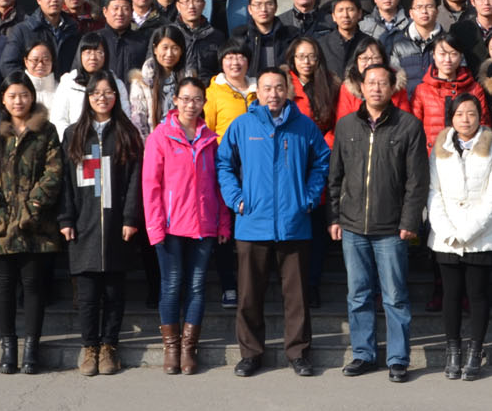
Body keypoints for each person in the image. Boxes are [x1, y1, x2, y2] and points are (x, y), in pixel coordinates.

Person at [217, 67, 331, 378]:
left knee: (297, 296)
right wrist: (236, 199)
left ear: (287, 90)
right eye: (267, 88)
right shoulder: (243, 125)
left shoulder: (304, 126)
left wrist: (309, 197)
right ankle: (250, 354)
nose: (273, 94)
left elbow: (322, 161)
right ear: (258, 92)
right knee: (248, 296)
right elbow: (224, 164)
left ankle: (298, 353)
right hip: (252, 222)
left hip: (294, 223)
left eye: (279, 88)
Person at [327, 64, 429, 383]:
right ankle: (363, 354)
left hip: (392, 227)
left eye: (382, 83)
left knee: (394, 296)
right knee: (358, 293)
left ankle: (398, 358)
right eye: (370, 82)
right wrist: (334, 216)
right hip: (353, 225)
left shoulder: (408, 125)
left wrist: (409, 220)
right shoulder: (346, 125)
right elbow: (335, 176)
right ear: (361, 87)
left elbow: (417, 181)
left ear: (392, 87)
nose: (376, 88)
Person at [0, 73, 64, 375]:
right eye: (12, 95)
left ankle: (31, 349)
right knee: (4, 286)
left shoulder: (46, 130)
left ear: (32, 97)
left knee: (33, 286)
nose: (18, 101)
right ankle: (8, 347)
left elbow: (54, 173)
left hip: (34, 224)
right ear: (3, 98)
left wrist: (32, 207)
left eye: (24, 95)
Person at [58, 72, 144, 376]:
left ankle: (109, 346)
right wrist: (66, 218)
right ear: (88, 97)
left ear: (116, 97)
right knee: (88, 294)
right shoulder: (73, 134)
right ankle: (90, 346)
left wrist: (131, 218)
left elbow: (135, 181)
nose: (102, 98)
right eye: (96, 93)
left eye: (108, 92)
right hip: (83, 223)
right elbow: (64, 181)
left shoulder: (127, 133)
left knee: (114, 292)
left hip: (117, 223)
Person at [142, 76, 226, 374]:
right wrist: (154, 226)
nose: (191, 105)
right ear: (175, 101)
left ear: (204, 103)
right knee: (172, 284)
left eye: (197, 99)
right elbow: (151, 185)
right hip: (170, 225)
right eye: (186, 99)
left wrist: (223, 223)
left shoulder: (210, 139)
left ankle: (189, 348)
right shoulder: (161, 136)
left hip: (204, 224)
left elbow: (219, 185)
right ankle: (172, 348)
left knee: (197, 286)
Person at [427, 94, 492, 380]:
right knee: (451, 295)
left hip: (481, 235)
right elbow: (433, 192)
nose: (465, 119)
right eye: (459, 113)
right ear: (451, 117)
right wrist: (447, 231)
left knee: (478, 295)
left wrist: (469, 231)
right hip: (446, 237)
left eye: (471, 113)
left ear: (480, 116)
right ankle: (453, 351)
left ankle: (475, 351)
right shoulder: (440, 149)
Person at [282, 36, 339, 308]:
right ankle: (292, 288)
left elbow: (338, 124)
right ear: (292, 59)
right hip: (289, 164)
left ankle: (312, 285)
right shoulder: (283, 85)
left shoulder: (331, 84)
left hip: (320, 163)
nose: (307, 62)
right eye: (301, 56)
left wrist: (321, 146)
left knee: (317, 230)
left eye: (312, 56)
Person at [412, 32, 489, 152]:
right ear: (434, 55)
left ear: (460, 56)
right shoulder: (422, 90)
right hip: (431, 156)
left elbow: (484, 125)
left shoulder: (474, 89)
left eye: (453, 54)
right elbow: (414, 129)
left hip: (467, 156)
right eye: (442, 54)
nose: (447, 60)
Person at [1, 0, 81, 78]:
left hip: (66, 86)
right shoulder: (22, 30)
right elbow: (8, 65)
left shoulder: (73, 28)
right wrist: (27, 84)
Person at [52, 33, 131, 135]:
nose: (93, 57)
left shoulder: (116, 84)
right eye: (87, 52)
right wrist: (72, 140)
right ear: (80, 55)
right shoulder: (68, 83)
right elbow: (58, 119)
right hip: (76, 139)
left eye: (99, 52)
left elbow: (124, 118)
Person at [129, 25, 196, 136]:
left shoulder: (189, 80)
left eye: (175, 48)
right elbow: (139, 120)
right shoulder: (141, 81)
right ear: (155, 49)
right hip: (153, 141)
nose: (169, 54)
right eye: (165, 48)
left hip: (183, 140)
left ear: (181, 51)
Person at [335, 38, 414, 121]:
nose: (370, 63)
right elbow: (343, 123)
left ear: (383, 60)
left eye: (375, 58)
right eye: (364, 58)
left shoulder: (397, 85)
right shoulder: (348, 88)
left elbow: (405, 121)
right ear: (356, 61)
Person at [384, 0, 444, 94]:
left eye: (429, 7)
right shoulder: (398, 43)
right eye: (419, 7)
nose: (424, 11)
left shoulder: (447, 42)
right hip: (407, 101)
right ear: (411, 13)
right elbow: (391, 77)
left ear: (437, 11)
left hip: (439, 101)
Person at [232, 0, 297, 73]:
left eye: (269, 4)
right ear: (250, 9)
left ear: (276, 7)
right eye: (258, 5)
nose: (263, 9)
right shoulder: (240, 36)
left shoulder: (291, 35)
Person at [172, 0, 228, 78]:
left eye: (196, 1)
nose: (191, 6)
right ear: (178, 6)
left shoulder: (216, 36)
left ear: (203, 5)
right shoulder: (168, 33)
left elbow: (223, 70)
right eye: (186, 1)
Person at [204, 38, 256, 141]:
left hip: (255, 149)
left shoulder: (259, 91)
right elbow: (206, 130)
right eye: (229, 58)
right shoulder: (212, 93)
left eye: (240, 57)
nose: (235, 62)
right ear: (221, 62)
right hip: (225, 150)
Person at [97, 0, 150, 83]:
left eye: (125, 9)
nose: (120, 13)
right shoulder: (95, 38)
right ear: (105, 11)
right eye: (115, 8)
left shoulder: (143, 41)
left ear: (132, 12)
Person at [317, 0, 372, 79]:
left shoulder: (369, 44)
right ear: (333, 16)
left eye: (350, 10)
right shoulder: (322, 44)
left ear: (359, 14)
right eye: (340, 10)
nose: (345, 15)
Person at [21, 41, 59, 115]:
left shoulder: (61, 89)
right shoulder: (18, 89)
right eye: (35, 60)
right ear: (26, 62)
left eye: (46, 60)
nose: (40, 65)